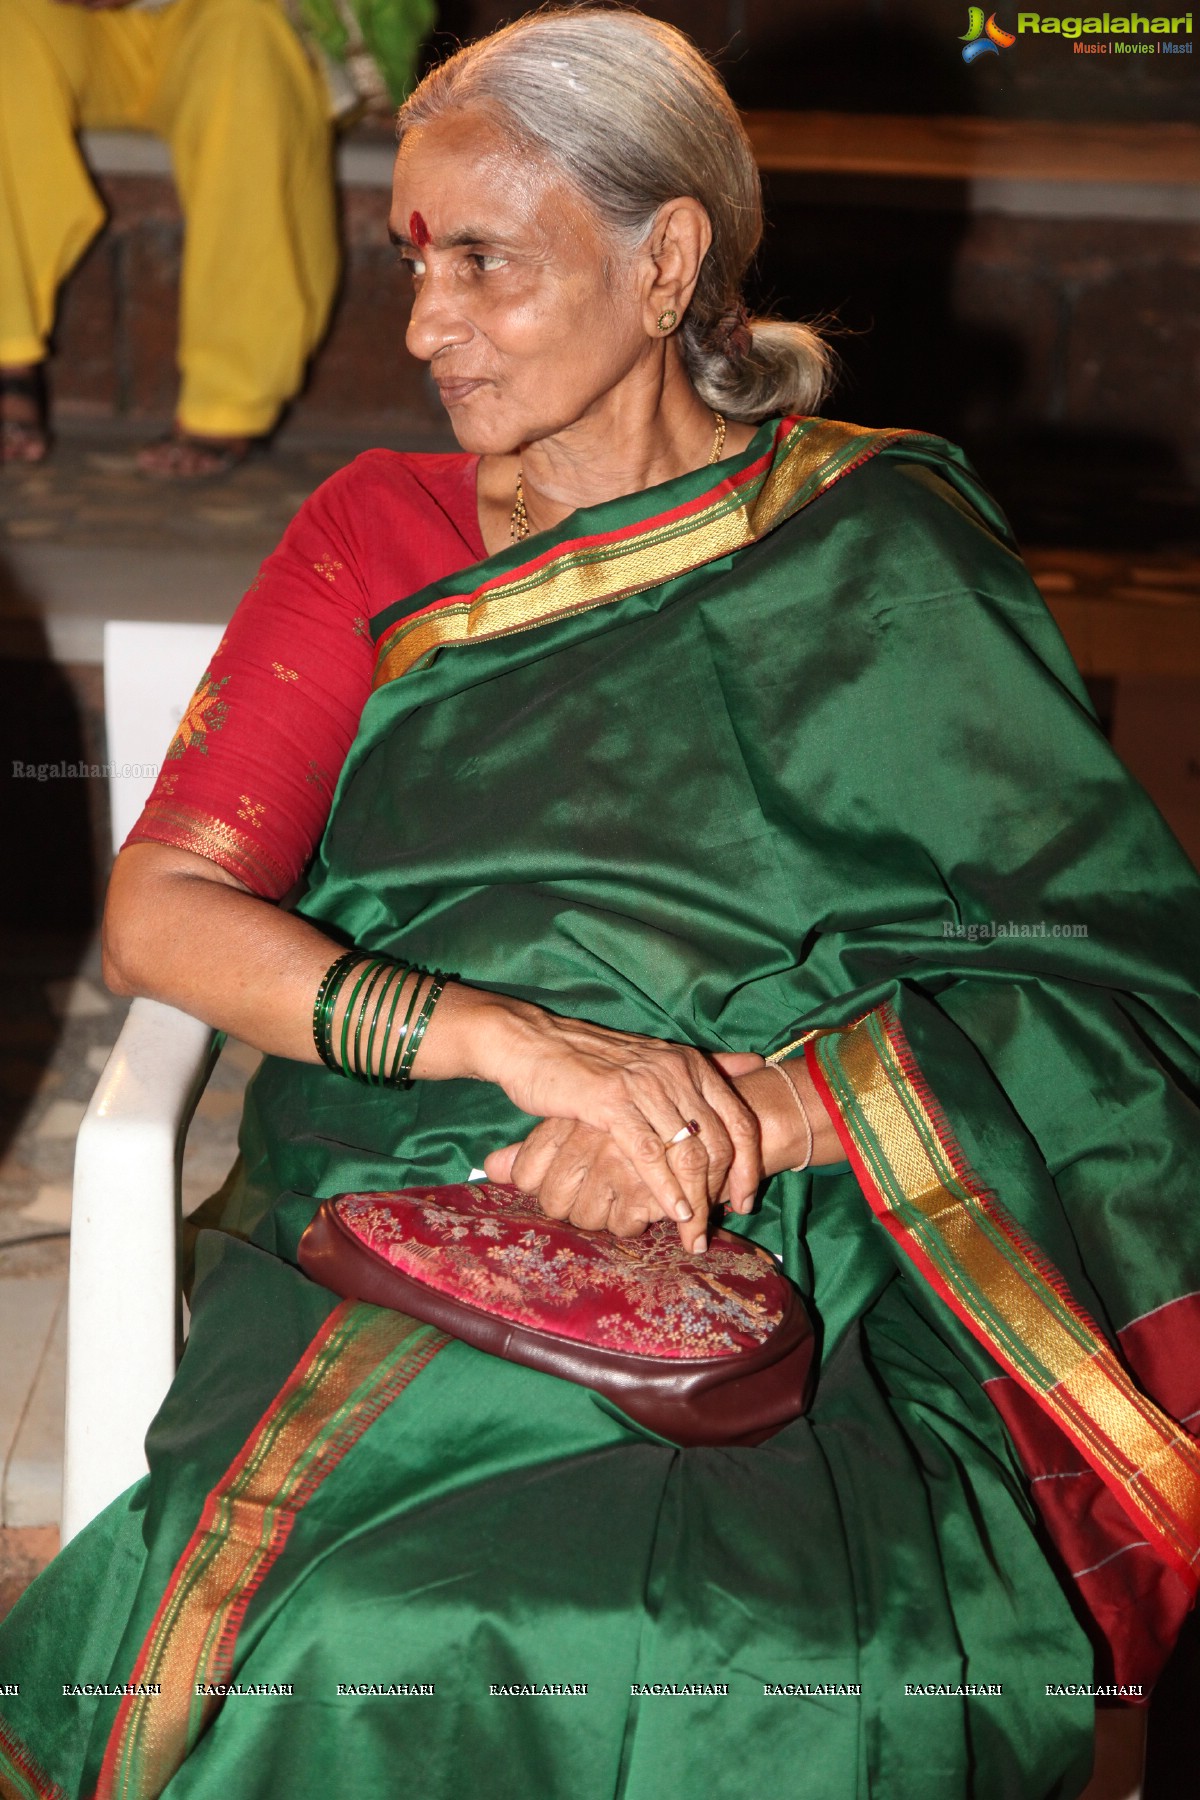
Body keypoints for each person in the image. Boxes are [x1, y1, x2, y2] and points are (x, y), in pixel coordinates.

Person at [2, 10, 1199, 1797]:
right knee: (379, 1622)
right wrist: (520, 1046)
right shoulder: (374, 534)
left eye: (485, 261)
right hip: (428, 1200)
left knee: (829, 1650)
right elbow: (163, 910)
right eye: (416, 260)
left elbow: (1106, 971)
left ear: (668, 261)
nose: (421, 325)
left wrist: (751, 1118)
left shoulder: (875, 546)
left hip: (841, 1223)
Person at [0, 0, 340, 477]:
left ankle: (230, 400)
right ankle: (6, 358)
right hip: (78, 26)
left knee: (245, 34)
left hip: (227, 19)